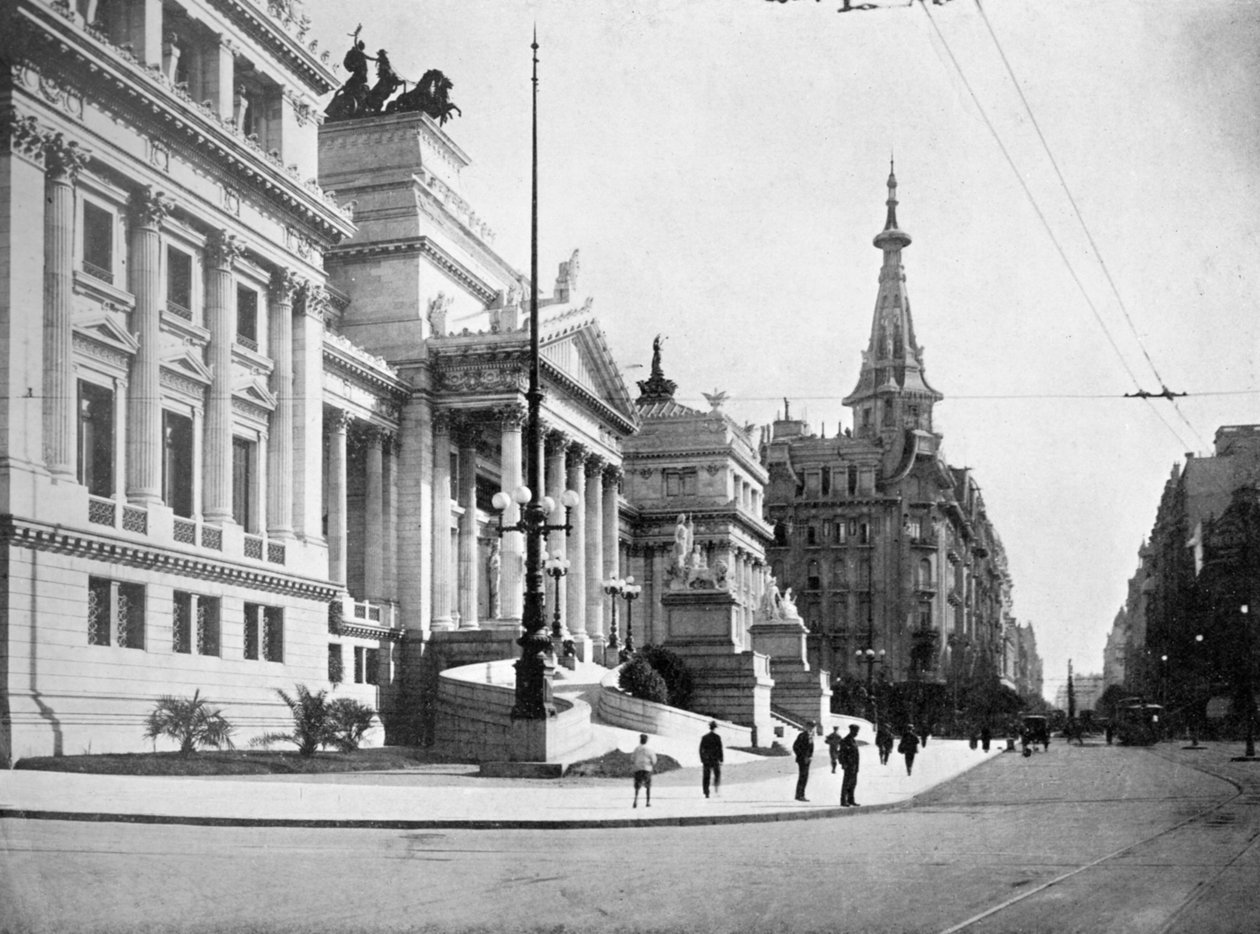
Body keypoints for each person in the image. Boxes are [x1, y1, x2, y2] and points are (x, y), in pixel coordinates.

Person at [838, 724, 862, 807]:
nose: (857, 733)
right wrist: (843, 763)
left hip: (854, 766)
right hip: (848, 765)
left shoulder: (853, 740)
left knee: (853, 783)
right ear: (852, 731)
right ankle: (843, 800)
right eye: (856, 732)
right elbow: (841, 754)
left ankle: (851, 800)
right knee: (846, 783)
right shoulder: (845, 740)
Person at [699, 721, 723, 798]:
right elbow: (720, 749)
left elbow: (701, 749)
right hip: (715, 759)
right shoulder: (717, 737)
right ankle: (716, 790)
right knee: (717, 775)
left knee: (706, 776)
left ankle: (706, 792)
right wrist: (721, 759)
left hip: (707, 759)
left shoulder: (705, 737)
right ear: (715, 728)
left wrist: (702, 759)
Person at [631, 734, 656, 808]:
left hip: (638, 769)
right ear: (646, 740)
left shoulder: (636, 749)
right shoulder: (650, 749)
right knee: (648, 786)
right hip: (647, 769)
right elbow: (654, 760)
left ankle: (635, 801)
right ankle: (647, 802)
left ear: (640, 740)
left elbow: (632, 759)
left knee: (637, 786)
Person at [793, 720, 815, 801]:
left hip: (807, 759)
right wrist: (803, 756)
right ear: (807, 727)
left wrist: (810, 756)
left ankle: (800, 794)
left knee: (804, 777)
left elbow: (810, 748)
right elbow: (795, 747)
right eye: (810, 726)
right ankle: (800, 795)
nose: (812, 728)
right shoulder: (802, 735)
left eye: (813, 727)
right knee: (803, 777)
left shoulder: (810, 736)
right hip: (803, 759)